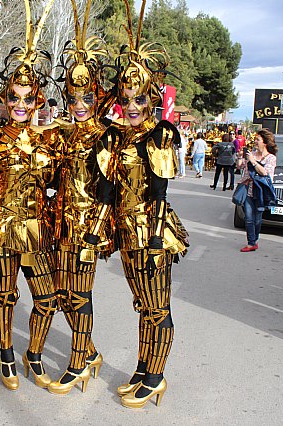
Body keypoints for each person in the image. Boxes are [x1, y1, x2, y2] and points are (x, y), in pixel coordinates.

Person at [110, 4, 189, 408]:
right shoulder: (121, 135)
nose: (134, 105)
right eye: (128, 99)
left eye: (140, 98)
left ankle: (156, 376)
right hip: (127, 231)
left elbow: (160, 191)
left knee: (157, 306)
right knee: (142, 303)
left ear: (151, 98)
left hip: (151, 230)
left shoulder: (160, 135)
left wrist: (157, 237)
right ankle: (143, 367)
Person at [0, 0, 59, 392]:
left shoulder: (50, 138)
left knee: (47, 298)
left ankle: (36, 354)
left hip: (37, 229)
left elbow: (70, 180)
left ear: (38, 100)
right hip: (0, 227)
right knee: (5, 297)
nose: (21, 104)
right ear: (5, 97)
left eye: (29, 98)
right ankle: (7, 354)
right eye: (15, 97)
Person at [47, 1, 118, 395]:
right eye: (72, 99)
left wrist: (94, 228)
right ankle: (88, 350)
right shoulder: (60, 131)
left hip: (88, 225)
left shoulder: (104, 134)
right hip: (60, 221)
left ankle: (78, 363)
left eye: (86, 99)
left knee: (79, 293)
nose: (77, 106)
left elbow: (108, 189)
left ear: (97, 97)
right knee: (62, 292)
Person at [238, 129, 278, 252]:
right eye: (255, 139)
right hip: (248, 189)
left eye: (258, 139)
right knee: (249, 218)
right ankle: (251, 243)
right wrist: (240, 157)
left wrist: (253, 161)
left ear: (265, 142)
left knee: (257, 219)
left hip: (261, 191)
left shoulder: (271, 158)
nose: (255, 141)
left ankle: (254, 239)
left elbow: (265, 173)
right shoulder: (252, 154)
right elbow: (240, 166)